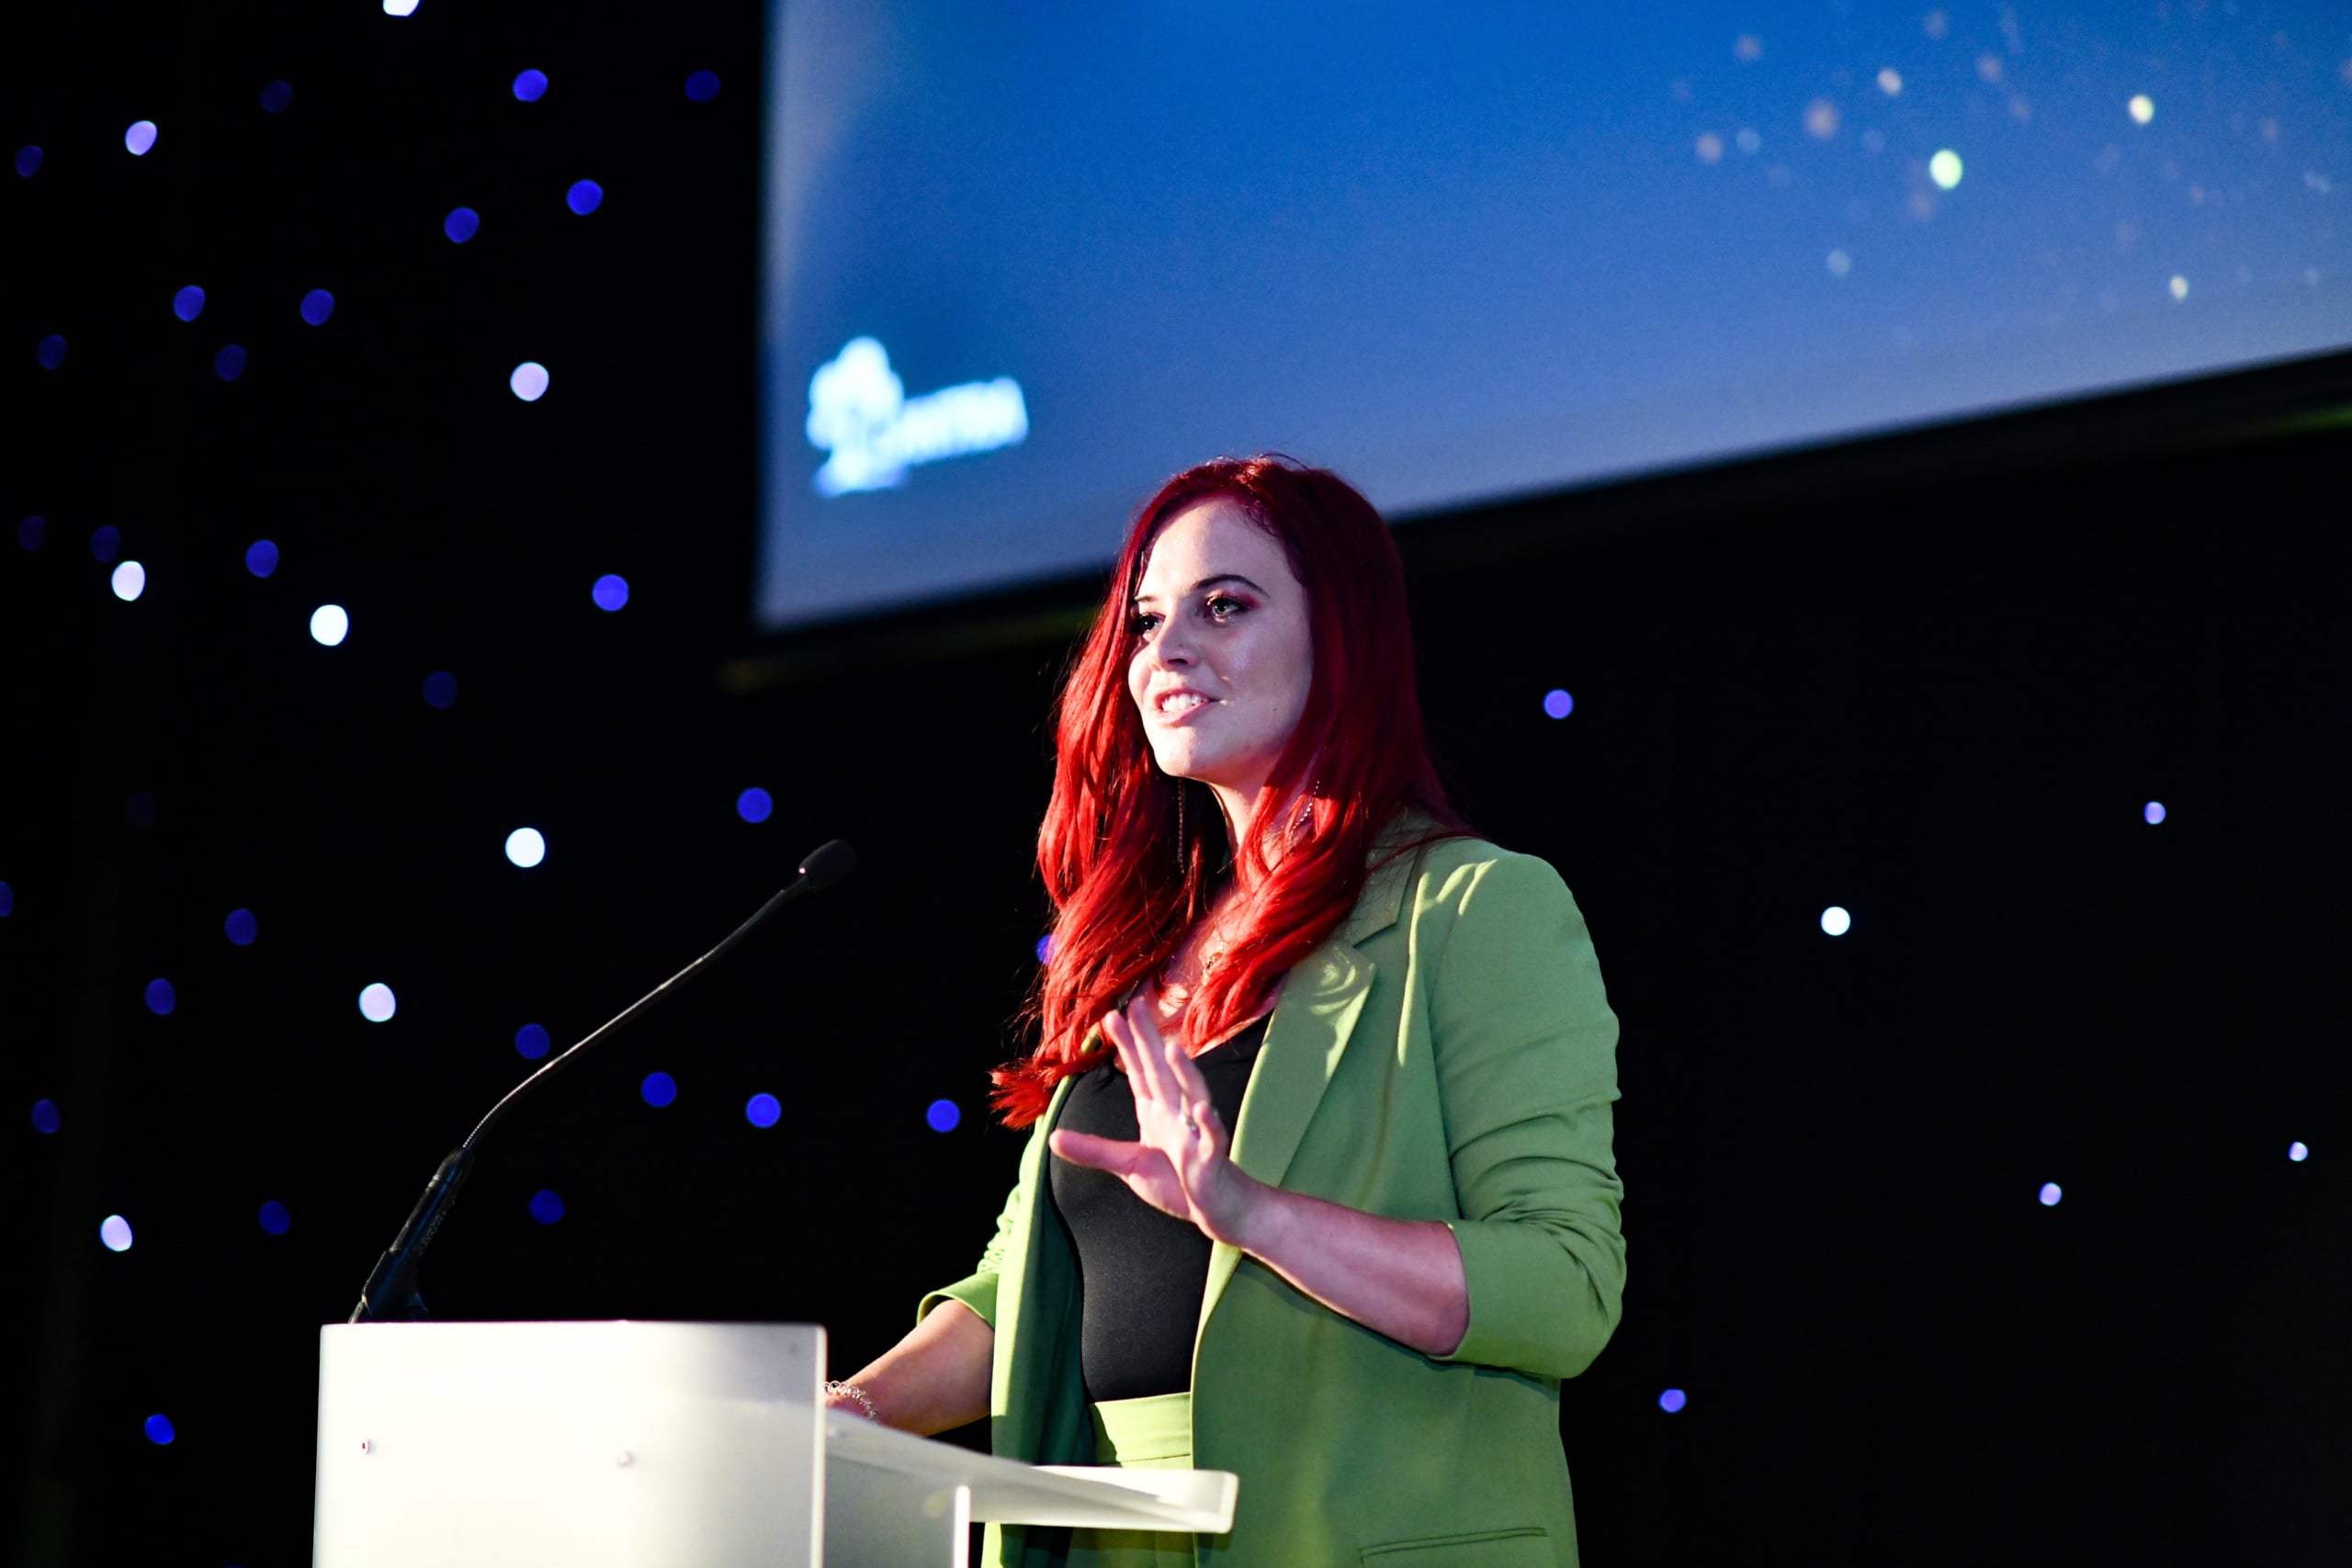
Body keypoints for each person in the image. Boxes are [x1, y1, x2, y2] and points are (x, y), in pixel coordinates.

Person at [825, 457, 1624, 1567]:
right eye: (1147, 622)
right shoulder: (1132, 952)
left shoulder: (1476, 906)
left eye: (1226, 606)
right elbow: (1025, 1291)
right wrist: (840, 1418)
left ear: (1340, 638)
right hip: (1114, 1538)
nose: (1166, 654)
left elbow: (1562, 1289)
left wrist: (1251, 1213)